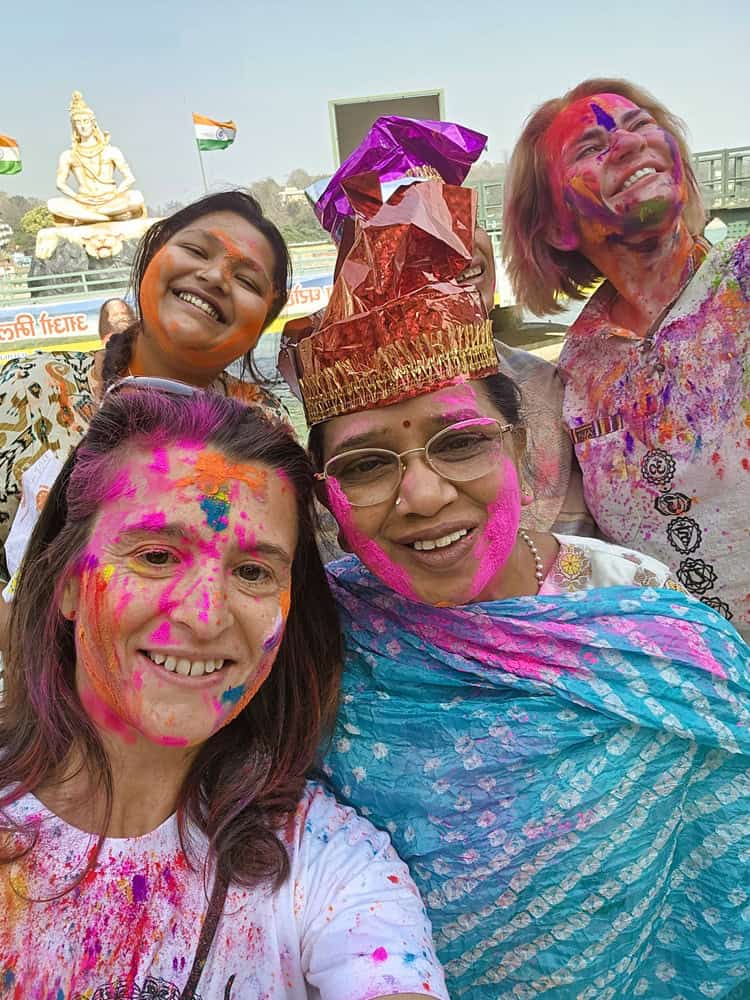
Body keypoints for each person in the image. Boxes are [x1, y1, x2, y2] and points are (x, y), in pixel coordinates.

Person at [280, 177, 750, 998]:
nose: (422, 496)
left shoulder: (646, 619)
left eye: (458, 442)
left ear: (522, 448)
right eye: (365, 465)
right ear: (327, 499)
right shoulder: (311, 634)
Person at [0, 383, 447, 1000]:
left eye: (254, 572)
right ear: (69, 585)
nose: (206, 616)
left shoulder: (330, 866)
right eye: (157, 555)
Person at [502, 77, 750, 637]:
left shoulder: (742, 280)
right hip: (695, 686)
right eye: (590, 148)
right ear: (553, 227)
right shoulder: (575, 372)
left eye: (640, 125)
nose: (631, 142)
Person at [302, 113, 592, 537]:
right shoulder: (344, 413)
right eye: (417, 231)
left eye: (460, 217)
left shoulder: (557, 386)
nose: (457, 244)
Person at [0, 189, 291, 611]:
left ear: (268, 314)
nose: (213, 277)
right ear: (153, 252)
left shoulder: (264, 423)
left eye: (247, 280)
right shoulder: (32, 388)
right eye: (195, 250)